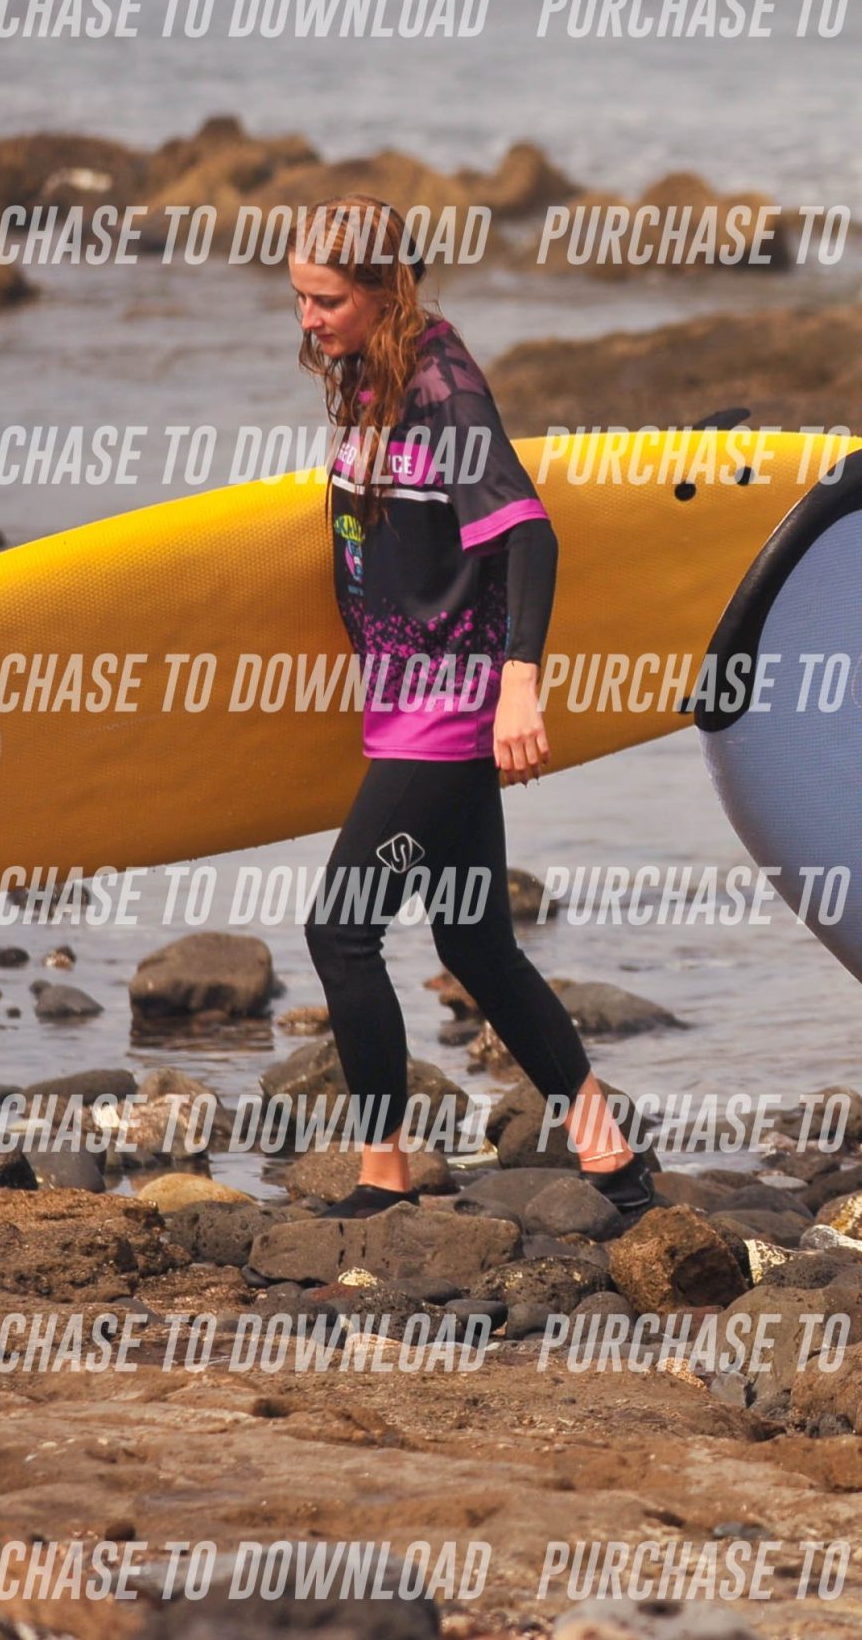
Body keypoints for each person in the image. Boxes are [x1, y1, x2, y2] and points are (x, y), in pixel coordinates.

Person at [289, 195, 653, 1217]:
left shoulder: (442, 387)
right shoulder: (375, 375)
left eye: (326, 300)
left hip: (447, 711)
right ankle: (612, 1160)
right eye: (300, 298)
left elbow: (528, 531)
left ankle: (384, 1174)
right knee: (475, 944)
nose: (308, 319)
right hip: (405, 699)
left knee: (341, 932)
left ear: (385, 289)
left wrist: (518, 687)